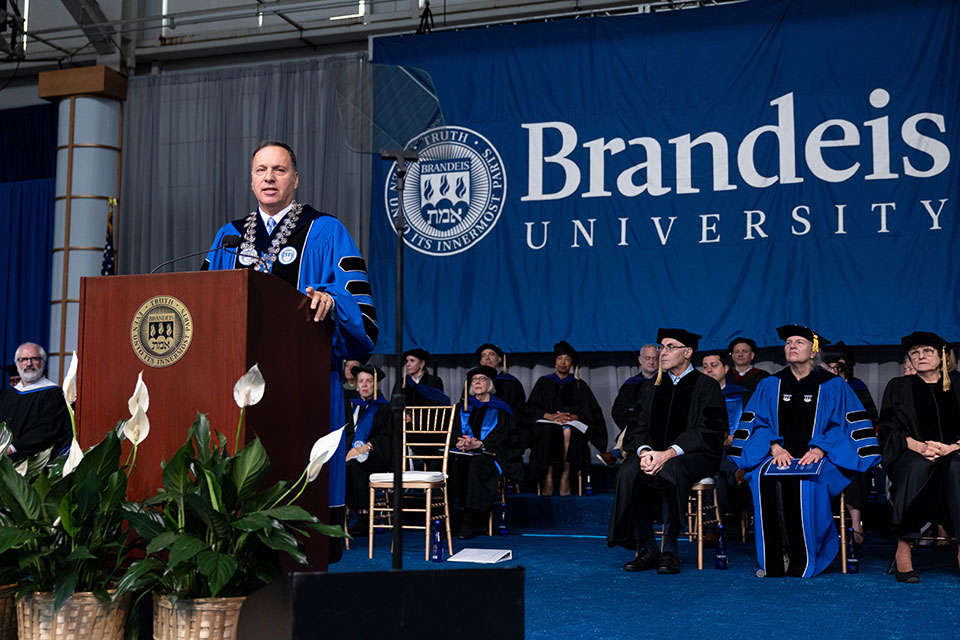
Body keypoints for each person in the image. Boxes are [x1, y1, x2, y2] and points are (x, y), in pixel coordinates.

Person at [202, 140, 377, 562]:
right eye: (261, 169)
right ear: (251, 178)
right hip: (236, 383)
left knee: (301, 491)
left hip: (306, 381)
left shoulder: (326, 230)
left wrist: (334, 301)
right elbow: (204, 302)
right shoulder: (228, 237)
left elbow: (359, 308)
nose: (269, 177)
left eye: (279, 170)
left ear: (295, 179)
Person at [730, 325, 880, 578]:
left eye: (799, 342)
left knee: (807, 482)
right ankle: (778, 555)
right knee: (763, 478)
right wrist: (774, 447)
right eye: (788, 342)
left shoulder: (834, 385)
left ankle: (806, 554)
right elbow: (755, 423)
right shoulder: (770, 384)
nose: (792, 345)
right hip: (776, 455)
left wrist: (821, 448)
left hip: (824, 456)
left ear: (813, 351)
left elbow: (844, 424)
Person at [607, 329, 726, 574]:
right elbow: (638, 426)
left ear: (688, 352)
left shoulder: (707, 386)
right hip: (655, 454)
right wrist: (645, 452)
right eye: (662, 347)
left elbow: (708, 429)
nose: (663, 352)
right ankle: (648, 547)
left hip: (697, 456)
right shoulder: (652, 386)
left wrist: (669, 453)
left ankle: (670, 548)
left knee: (672, 468)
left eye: (671, 347)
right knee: (629, 470)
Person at [878, 331, 960, 583]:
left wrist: (952, 447)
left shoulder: (958, 384)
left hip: (955, 451)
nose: (920, 356)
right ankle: (904, 544)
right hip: (912, 452)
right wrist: (917, 446)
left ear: (941, 355)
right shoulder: (899, 386)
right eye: (915, 352)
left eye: (927, 351)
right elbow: (889, 427)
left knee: (957, 467)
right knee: (917, 467)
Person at [525, 341, 606, 496]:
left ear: (572, 363)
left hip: (572, 424)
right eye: (560, 359)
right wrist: (549, 416)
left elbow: (589, 411)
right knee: (547, 430)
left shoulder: (579, 385)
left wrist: (572, 416)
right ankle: (548, 476)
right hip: (548, 423)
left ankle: (565, 475)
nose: (563, 363)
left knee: (568, 431)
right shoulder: (544, 382)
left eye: (567, 359)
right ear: (555, 361)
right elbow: (532, 407)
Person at [823, 341, 879, 547]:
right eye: (829, 366)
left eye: (837, 366)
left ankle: (856, 524)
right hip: (823, 447)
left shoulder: (856, 387)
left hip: (852, 445)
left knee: (853, 466)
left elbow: (869, 420)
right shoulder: (820, 389)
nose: (833, 369)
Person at [450, 366, 513, 539]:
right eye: (474, 379)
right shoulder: (461, 407)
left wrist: (479, 444)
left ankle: (470, 520)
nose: (477, 382)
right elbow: (453, 432)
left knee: (476, 464)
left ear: (490, 384)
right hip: (463, 453)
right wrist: (462, 442)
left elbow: (502, 435)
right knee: (452, 464)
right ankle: (450, 518)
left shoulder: (500, 408)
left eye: (482, 379)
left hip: (489, 455)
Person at [0, 343, 72, 461]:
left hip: (32, 460)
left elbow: (47, 430)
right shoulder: (7, 396)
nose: (29, 363)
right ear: (17, 364)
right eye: (23, 359)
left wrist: (12, 448)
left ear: (43, 362)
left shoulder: (54, 395)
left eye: (34, 359)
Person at [700, 350, 750, 519]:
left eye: (714, 366)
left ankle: (713, 529)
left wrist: (734, 439)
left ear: (726, 368)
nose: (709, 370)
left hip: (737, 448)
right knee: (714, 457)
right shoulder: (697, 396)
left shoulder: (742, 394)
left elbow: (752, 425)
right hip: (706, 448)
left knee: (717, 474)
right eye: (705, 367)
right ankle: (735, 473)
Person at [344, 365, 392, 536]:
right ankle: (345, 513)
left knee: (357, 465)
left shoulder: (385, 407)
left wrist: (366, 447)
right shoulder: (352, 406)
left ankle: (364, 516)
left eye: (369, 381)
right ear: (356, 385)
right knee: (344, 466)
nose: (364, 385)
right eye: (361, 381)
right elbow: (347, 432)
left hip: (377, 454)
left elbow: (388, 437)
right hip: (353, 452)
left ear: (375, 385)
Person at [598, 344, 659, 467]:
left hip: (656, 425)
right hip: (634, 426)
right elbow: (618, 410)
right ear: (640, 360)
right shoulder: (631, 383)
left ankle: (617, 451)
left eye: (655, 358)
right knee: (635, 418)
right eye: (648, 358)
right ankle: (622, 449)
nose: (651, 362)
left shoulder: (665, 382)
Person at [473, 343, 525, 482]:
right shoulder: (473, 384)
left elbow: (518, 411)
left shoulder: (511, 383)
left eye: (491, 355)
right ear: (480, 361)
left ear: (500, 359)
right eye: (483, 356)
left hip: (504, 432)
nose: (487, 358)